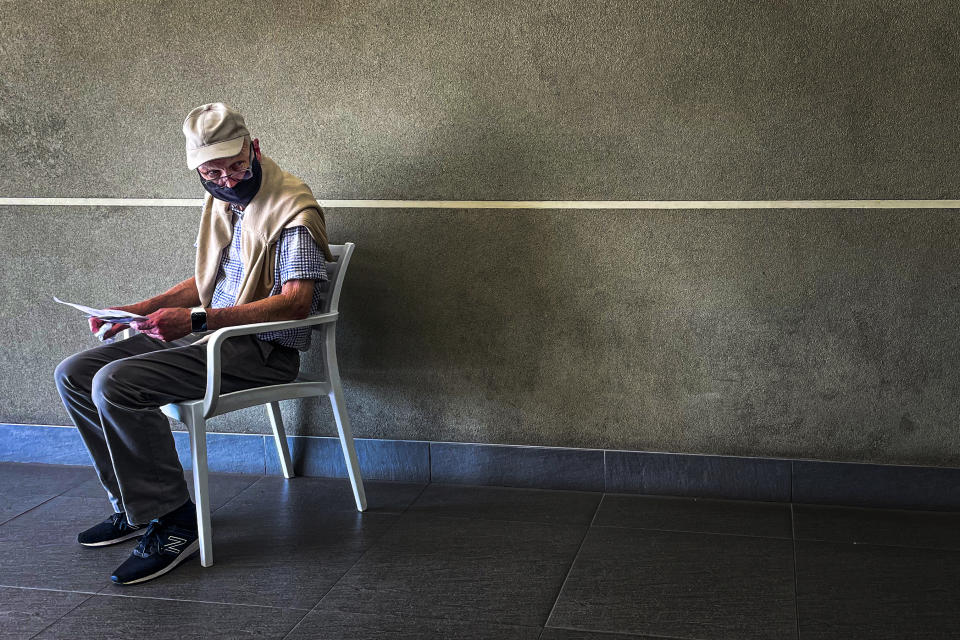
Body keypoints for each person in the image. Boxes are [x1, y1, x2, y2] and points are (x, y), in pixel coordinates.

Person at [53, 103, 336, 585]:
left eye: (235, 166)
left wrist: (198, 319)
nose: (227, 179)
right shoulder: (227, 204)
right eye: (212, 171)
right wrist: (138, 311)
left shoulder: (292, 207)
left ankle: (176, 521)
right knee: (75, 374)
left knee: (116, 383)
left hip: (260, 350)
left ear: (255, 148)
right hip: (211, 334)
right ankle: (136, 503)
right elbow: (212, 279)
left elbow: (296, 303)